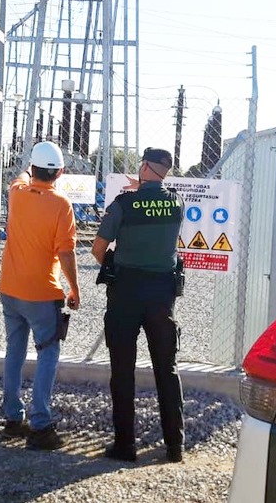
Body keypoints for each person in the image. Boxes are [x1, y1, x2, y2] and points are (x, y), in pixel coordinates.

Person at [92, 147, 186, 463]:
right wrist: (145, 187)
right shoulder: (177, 202)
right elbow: (155, 200)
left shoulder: (122, 205)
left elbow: (98, 249)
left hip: (126, 294)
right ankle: (175, 446)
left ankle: (125, 445)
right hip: (162, 295)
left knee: (122, 370)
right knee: (167, 369)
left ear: (145, 166)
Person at [0, 141, 80, 450]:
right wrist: (74, 288)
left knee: (14, 350)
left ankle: (12, 417)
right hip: (42, 292)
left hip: (10, 289)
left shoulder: (17, 194)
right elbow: (67, 252)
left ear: (32, 170)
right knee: (48, 351)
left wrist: (28, 169)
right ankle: (41, 424)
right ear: (60, 172)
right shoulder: (61, 204)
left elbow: (19, 177)